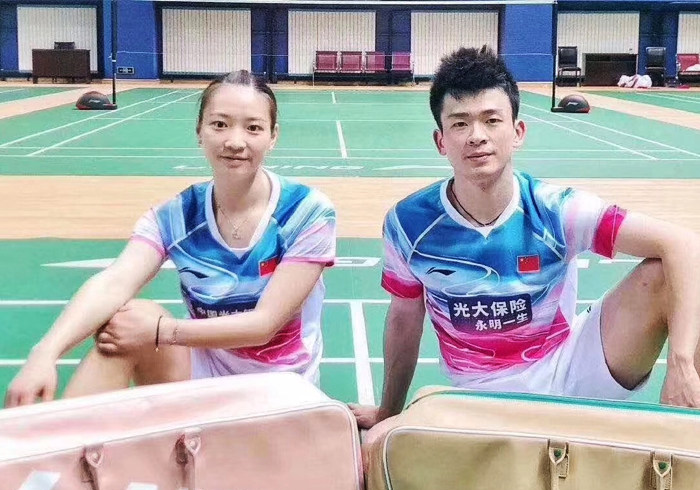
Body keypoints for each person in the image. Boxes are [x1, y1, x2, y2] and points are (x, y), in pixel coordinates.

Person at [351, 46, 700, 429]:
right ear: (441, 141)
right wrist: (388, 412)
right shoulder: (408, 224)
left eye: (491, 120)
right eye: (460, 124)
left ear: (517, 132)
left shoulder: (557, 209)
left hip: (570, 369)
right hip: (479, 391)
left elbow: (685, 244)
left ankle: (691, 421)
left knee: (670, 271)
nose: (477, 136)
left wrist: (681, 363)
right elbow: (404, 319)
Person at [5, 71, 336, 408]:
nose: (235, 141)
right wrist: (45, 353)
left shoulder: (306, 212)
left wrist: (162, 330)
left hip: (282, 389)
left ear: (272, 136)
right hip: (203, 376)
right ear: (199, 131)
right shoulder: (176, 215)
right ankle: (64, 438)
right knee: (125, 323)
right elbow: (115, 282)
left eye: (253, 128)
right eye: (219, 125)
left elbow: (264, 325)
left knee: (142, 324)